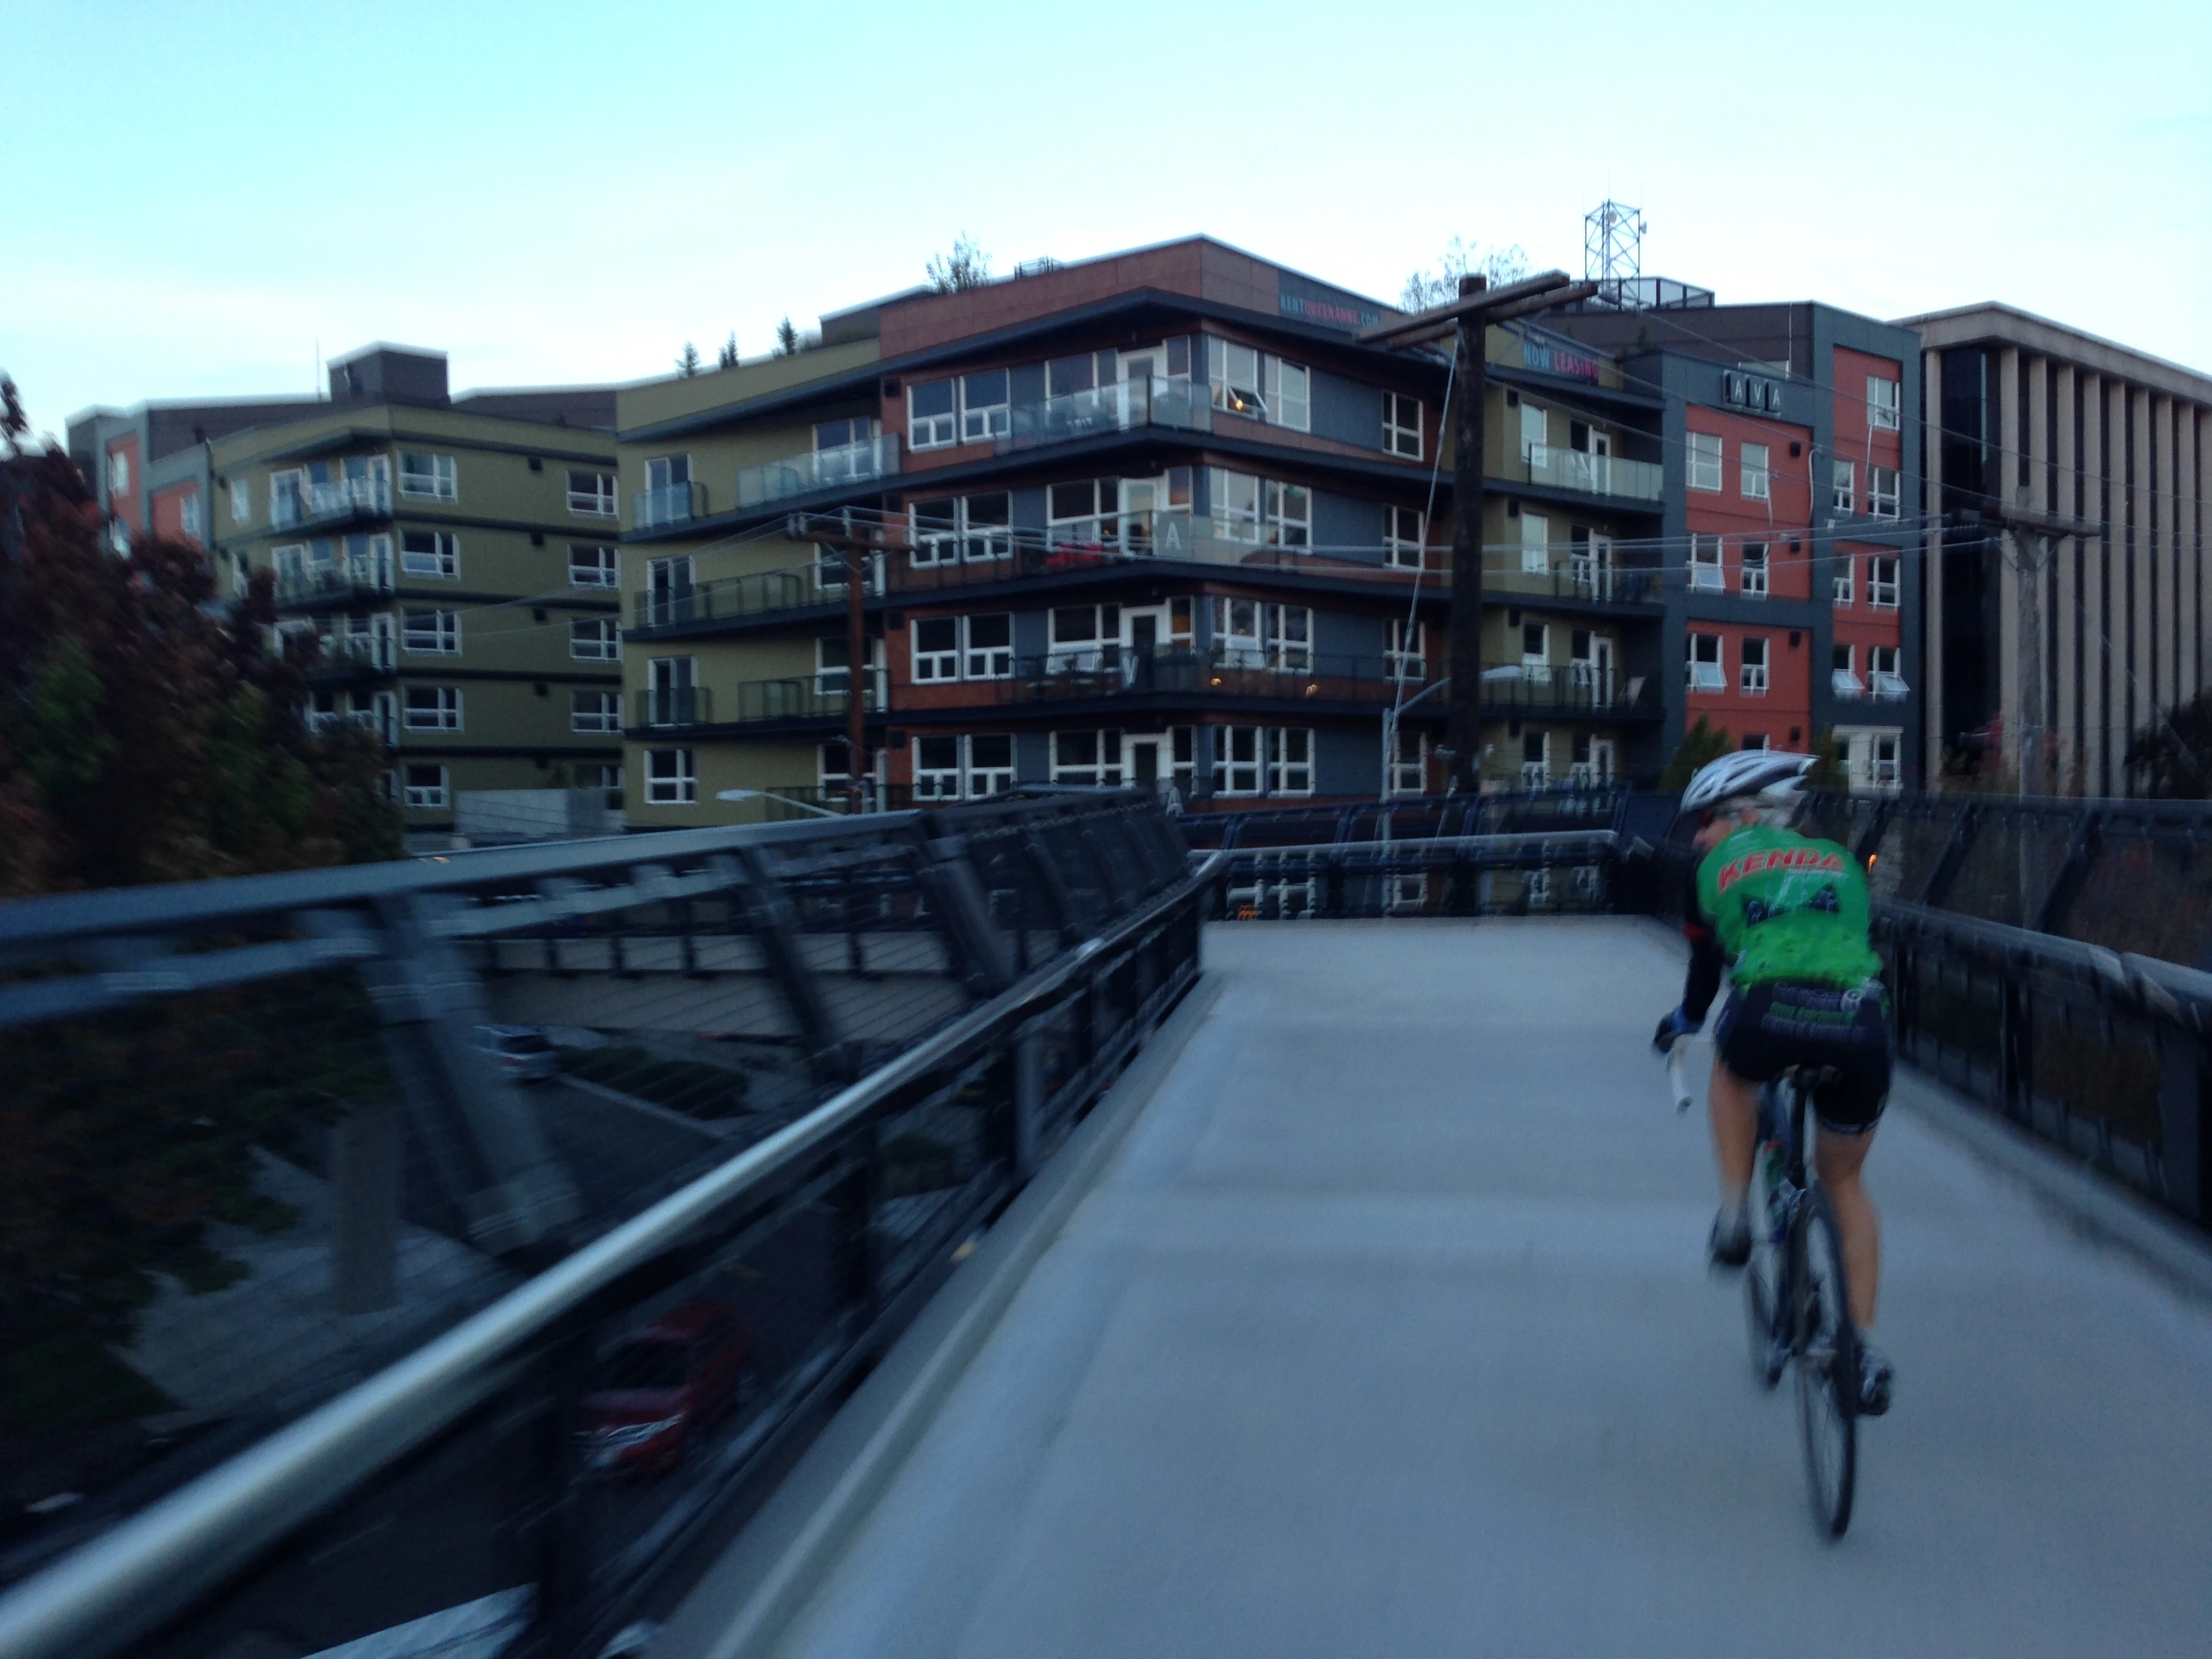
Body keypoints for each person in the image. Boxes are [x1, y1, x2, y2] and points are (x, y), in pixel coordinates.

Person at [1652, 750, 1895, 1414]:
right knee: (1844, 1181)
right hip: (1860, 1023)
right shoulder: (1843, 863)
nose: (1699, 836)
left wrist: (1683, 1022)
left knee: (1734, 1073)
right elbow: (1845, 942)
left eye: (1708, 820)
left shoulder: (1710, 871)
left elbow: (1705, 974)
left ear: (1749, 815)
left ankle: (1734, 1219)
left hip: (1771, 1015)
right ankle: (1864, 1351)